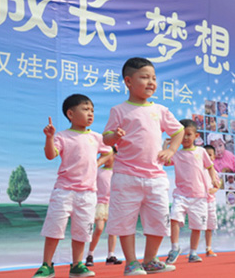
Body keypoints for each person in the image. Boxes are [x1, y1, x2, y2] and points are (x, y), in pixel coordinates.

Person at [103, 57, 184, 275]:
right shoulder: (119, 110)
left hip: (156, 177)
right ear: (128, 81)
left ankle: (150, 259)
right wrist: (115, 135)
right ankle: (131, 262)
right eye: (144, 77)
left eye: (154, 78)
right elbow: (106, 139)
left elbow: (178, 131)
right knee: (124, 220)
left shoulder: (160, 109)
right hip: (126, 176)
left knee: (159, 220)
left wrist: (171, 150)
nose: (151, 82)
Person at [35, 94, 113, 278]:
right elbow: (50, 155)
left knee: (82, 230)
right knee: (54, 229)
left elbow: (109, 151)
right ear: (70, 113)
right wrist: (49, 137)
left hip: (88, 193)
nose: (90, 113)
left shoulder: (96, 137)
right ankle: (47, 265)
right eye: (85, 110)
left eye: (92, 110)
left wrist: (97, 163)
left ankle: (77, 265)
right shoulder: (62, 136)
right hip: (64, 191)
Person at [165, 119, 220, 265]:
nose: (185, 138)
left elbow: (210, 166)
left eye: (189, 134)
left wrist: (213, 178)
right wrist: (166, 146)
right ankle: (174, 248)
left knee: (197, 227)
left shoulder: (201, 152)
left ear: (196, 136)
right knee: (174, 219)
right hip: (181, 194)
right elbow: (164, 162)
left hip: (199, 196)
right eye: (182, 135)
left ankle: (193, 253)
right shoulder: (176, 153)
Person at [85, 152, 123, 267]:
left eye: (108, 156)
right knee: (99, 228)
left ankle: (110, 255)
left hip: (113, 203)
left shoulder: (118, 172)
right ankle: (90, 254)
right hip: (100, 203)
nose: (105, 158)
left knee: (113, 231)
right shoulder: (99, 171)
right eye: (102, 156)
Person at [203, 145, 221, 257]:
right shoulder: (197, 169)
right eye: (205, 155)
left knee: (209, 227)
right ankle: (192, 250)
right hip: (198, 201)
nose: (207, 157)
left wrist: (213, 189)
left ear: (214, 157)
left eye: (209, 155)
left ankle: (208, 248)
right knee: (196, 226)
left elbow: (217, 185)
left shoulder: (214, 172)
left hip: (210, 202)